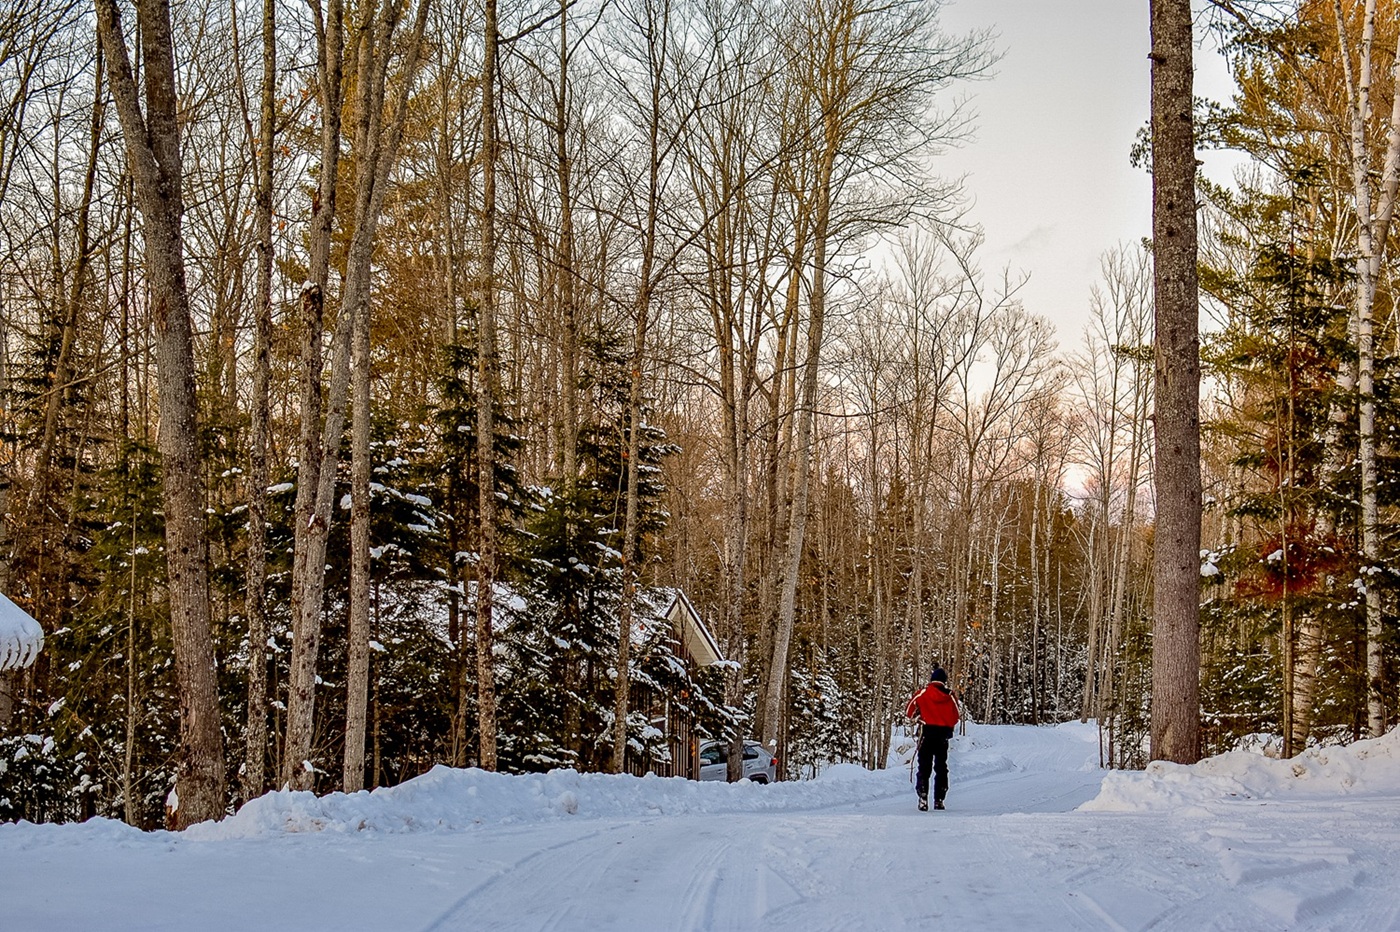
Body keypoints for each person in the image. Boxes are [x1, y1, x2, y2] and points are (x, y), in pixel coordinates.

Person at [905, 665, 960, 811]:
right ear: (944, 681)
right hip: (942, 736)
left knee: (924, 766)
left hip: (926, 732)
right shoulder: (949, 696)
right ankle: (939, 800)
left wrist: (918, 717)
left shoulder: (923, 693)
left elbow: (909, 710)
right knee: (941, 767)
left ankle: (923, 797)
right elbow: (956, 716)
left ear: (932, 679)